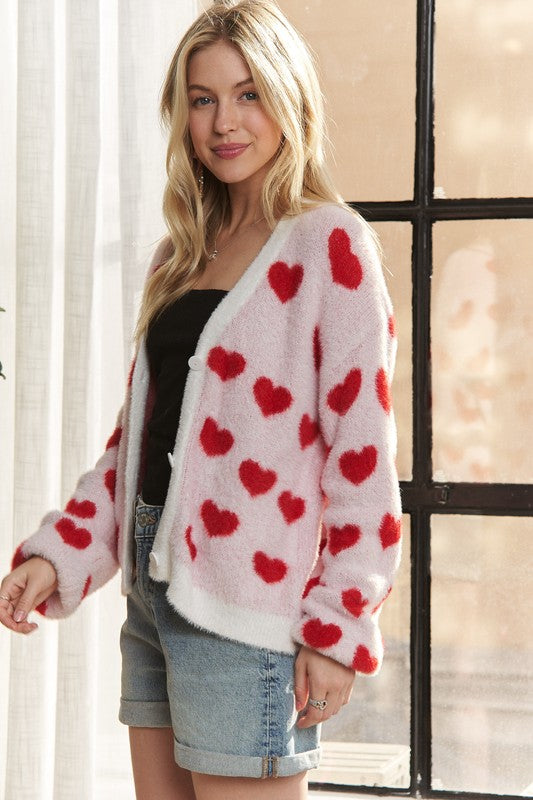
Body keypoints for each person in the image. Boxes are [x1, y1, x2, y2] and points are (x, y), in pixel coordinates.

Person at [0, 1, 402, 798]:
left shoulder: (329, 245)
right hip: (151, 598)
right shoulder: (179, 257)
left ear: (288, 99)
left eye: (248, 94)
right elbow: (136, 446)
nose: (224, 122)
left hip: (248, 614)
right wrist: (61, 554)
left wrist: (338, 625)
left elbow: (362, 460)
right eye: (202, 98)